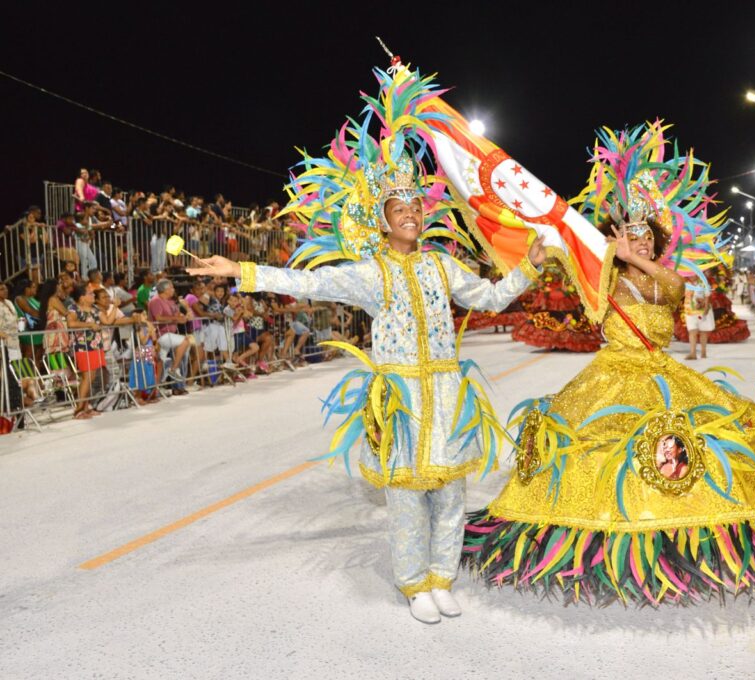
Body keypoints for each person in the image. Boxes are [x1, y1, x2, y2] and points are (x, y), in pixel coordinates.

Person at [188, 65, 545, 624]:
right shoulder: (370, 273)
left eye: (416, 207)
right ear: (383, 221)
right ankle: (414, 583)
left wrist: (529, 267)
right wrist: (243, 271)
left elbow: (492, 297)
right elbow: (311, 282)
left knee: (451, 491)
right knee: (406, 496)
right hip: (400, 397)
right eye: (400, 210)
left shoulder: (442, 265)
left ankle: (443, 577)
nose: (412, 215)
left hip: (447, 392)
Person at [462, 122, 755, 607]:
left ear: (656, 244)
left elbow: (675, 288)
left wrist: (635, 257)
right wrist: (573, 251)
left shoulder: (663, 279)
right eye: (632, 238)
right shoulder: (604, 280)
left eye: (646, 238)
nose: (640, 243)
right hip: (609, 374)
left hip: (661, 371)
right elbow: (564, 258)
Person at [147, 279, 192, 394]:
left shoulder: (171, 301)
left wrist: (184, 316)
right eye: (171, 287)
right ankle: (173, 370)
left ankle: (176, 387)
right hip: (160, 335)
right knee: (185, 341)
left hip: (171, 334)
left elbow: (178, 316)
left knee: (166, 362)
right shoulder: (155, 301)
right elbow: (158, 318)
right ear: (165, 290)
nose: (173, 289)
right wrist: (175, 318)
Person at [66, 285, 104, 419]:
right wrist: (89, 325)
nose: (93, 296)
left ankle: (86, 407)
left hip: (95, 345)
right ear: (82, 297)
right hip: (82, 346)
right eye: (90, 294)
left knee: (91, 377)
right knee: (86, 377)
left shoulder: (95, 309)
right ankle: (78, 410)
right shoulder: (73, 308)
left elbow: (108, 321)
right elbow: (71, 324)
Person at [682, 283, 713, 359]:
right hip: (689, 311)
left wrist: (705, 307)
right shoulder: (686, 284)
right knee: (692, 332)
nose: (691, 277)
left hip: (701, 312)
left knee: (703, 332)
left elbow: (707, 296)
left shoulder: (703, 283)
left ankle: (703, 352)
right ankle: (693, 353)